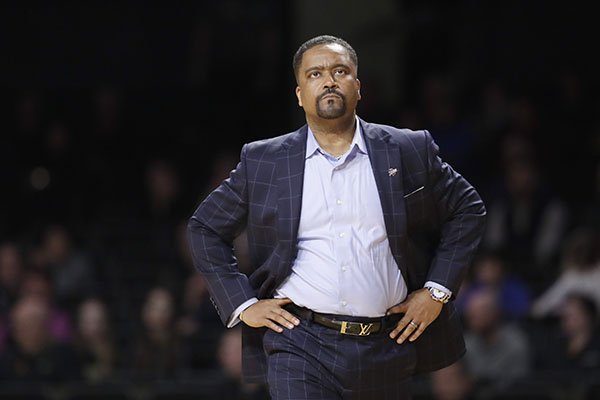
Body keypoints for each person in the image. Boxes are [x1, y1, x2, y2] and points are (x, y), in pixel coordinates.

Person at [187, 35, 486, 399]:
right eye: (315, 74)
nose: (328, 80)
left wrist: (437, 291)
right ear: (299, 94)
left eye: (339, 71)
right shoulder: (264, 160)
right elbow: (205, 227)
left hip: (386, 341)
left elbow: (468, 209)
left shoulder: (408, 149)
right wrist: (243, 303)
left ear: (357, 88)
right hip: (299, 343)